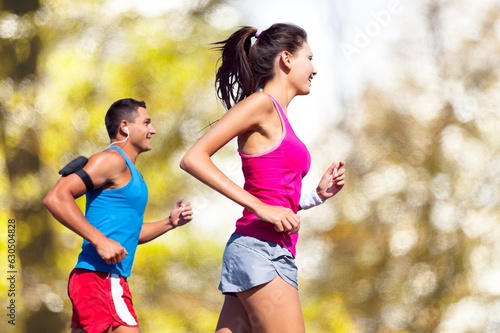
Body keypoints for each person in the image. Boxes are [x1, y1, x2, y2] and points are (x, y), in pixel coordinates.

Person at [180, 23, 345, 332]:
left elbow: (276, 196)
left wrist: (315, 196)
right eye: (309, 58)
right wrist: (260, 208)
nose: (315, 69)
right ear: (286, 59)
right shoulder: (261, 105)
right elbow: (193, 158)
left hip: (263, 249)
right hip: (261, 251)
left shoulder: (278, 116)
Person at [44, 98, 193, 333]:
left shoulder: (130, 172)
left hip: (100, 279)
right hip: (101, 278)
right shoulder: (111, 160)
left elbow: (131, 233)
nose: (152, 130)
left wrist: (169, 223)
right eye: (146, 123)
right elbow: (56, 197)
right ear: (125, 126)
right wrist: (100, 241)